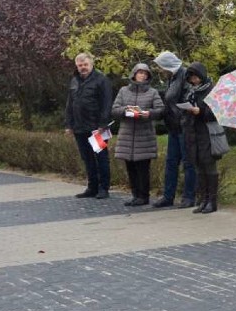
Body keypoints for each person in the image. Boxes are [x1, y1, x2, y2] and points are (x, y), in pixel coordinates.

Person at [110, 63, 165, 206]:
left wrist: (149, 113)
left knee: (143, 168)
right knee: (130, 167)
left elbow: (160, 110)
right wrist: (125, 110)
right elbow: (115, 110)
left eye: (145, 73)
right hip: (127, 135)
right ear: (134, 74)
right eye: (140, 72)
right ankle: (135, 195)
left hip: (144, 136)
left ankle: (143, 196)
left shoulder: (152, 92)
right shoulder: (123, 91)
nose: (143, 75)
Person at [151, 51, 197, 209]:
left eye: (160, 66)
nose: (159, 70)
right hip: (173, 126)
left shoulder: (184, 76)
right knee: (171, 162)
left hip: (185, 126)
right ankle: (168, 196)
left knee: (188, 162)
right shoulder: (171, 78)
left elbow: (188, 99)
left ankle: (189, 196)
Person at [65, 52, 113, 199]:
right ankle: (92, 187)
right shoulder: (74, 81)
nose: (83, 68)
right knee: (87, 159)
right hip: (79, 128)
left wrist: (103, 124)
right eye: (80, 65)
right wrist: (69, 124)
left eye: (85, 64)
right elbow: (70, 104)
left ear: (91, 64)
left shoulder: (101, 80)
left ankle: (104, 188)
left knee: (101, 158)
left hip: (96, 128)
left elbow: (106, 103)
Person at [180, 62, 221, 214]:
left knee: (208, 164)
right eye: (191, 77)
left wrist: (201, 111)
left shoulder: (211, 90)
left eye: (196, 77)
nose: (194, 80)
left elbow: (215, 113)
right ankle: (203, 199)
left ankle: (212, 201)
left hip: (207, 132)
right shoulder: (191, 91)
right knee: (198, 165)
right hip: (193, 132)